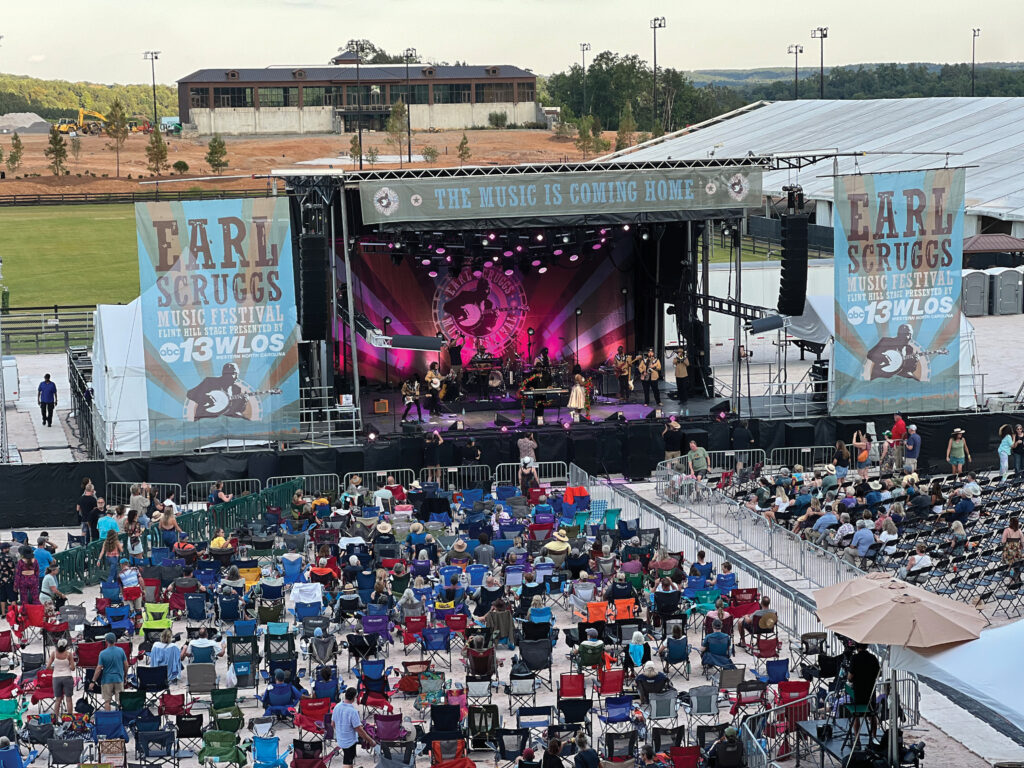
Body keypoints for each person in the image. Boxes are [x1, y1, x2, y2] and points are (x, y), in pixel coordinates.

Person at [332, 687, 377, 768]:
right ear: (354, 698)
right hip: (349, 741)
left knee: (349, 760)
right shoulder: (352, 711)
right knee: (347, 762)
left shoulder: (337, 706)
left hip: (340, 738)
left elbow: (333, 724)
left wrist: (342, 729)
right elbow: (359, 730)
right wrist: (370, 741)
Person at [93, 632, 128, 711]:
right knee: (119, 700)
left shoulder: (102, 653)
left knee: (107, 701)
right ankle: (119, 717)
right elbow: (126, 665)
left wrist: (93, 680)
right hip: (119, 678)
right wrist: (125, 676)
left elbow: (98, 669)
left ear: (106, 641)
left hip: (107, 679)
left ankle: (108, 719)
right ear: (115, 640)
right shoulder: (121, 651)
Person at [47, 638, 76, 719]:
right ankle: (70, 719)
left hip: (56, 677)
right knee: (69, 699)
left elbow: (48, 666)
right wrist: (69, 666)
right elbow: (73, 668)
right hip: (67, 677)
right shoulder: (69, 654)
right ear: (66, 646)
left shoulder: (54, 653)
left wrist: (55, 669)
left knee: (58, 699)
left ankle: (55, 718)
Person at [1002, 517, 1023, 582]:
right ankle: (1017, 576)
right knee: (1016, 564)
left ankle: (1011, 578)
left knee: (1010, 566)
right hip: (1017, 549)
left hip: (1009, 549)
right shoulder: (1019, 530)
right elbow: (1022, 541)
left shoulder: (1007, 530)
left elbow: (1003, 541)